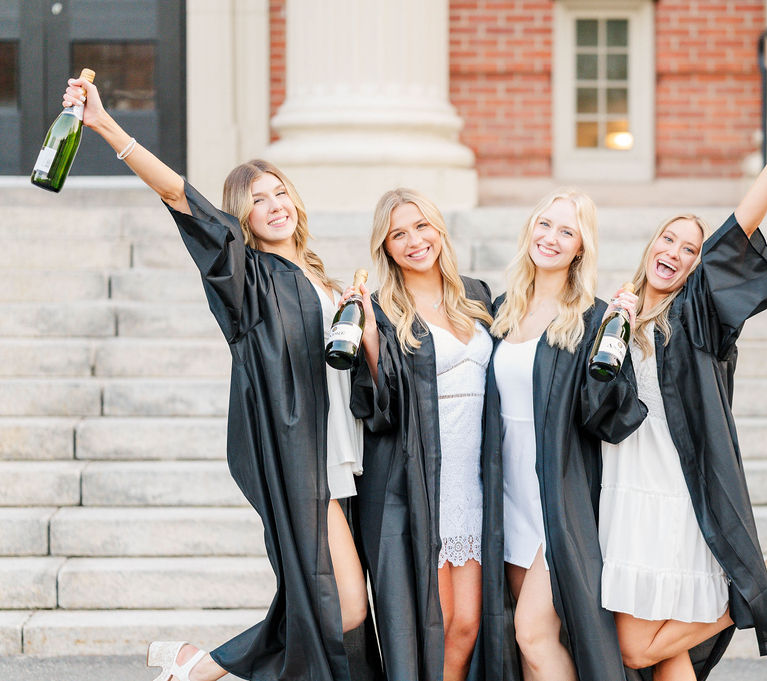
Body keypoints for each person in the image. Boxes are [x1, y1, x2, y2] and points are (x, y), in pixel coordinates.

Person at [61, 76, 377, 681]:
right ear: (241, 217)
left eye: (281, 192)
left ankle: (194, 664)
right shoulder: (245, 276)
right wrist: (106, 126)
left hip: (344, 451)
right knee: (342, 602)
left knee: (325, 599)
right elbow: (183, 199)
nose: (276, 204)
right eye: (258, 199)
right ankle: (207, 667)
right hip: (296, 454)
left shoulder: (318, 274)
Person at [599, 107, 767, 681]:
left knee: (634, 648)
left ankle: (759, 596)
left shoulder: (693, 315)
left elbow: (736, 235)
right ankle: (763, 588)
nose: (674, 252)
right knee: (660, 652)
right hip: (625, 495)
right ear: (651, 244)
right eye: (668, 239)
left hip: (675, 497)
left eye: (689, 249)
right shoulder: (617, 315)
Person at [480, 189, 647, 681]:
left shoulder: (593, 317)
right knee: (532, 643)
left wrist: (619, 347)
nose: (551, 238)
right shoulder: (503, 308)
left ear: (581, 248)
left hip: (561, 492)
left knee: (532, 631)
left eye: (566, 231)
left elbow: (609, 418)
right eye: (545, 225)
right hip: (508, 492)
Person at [346, 188, 498, 681]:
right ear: (385, 247)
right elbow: (381, 406)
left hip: (473, 480)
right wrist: (369, 338)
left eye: (421, 226)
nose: (415, 241)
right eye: (399, 234)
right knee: (437, 623)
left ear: (439, 229)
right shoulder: (385, 308)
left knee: (468, 625)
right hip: (419, 481)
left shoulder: (476, 295)